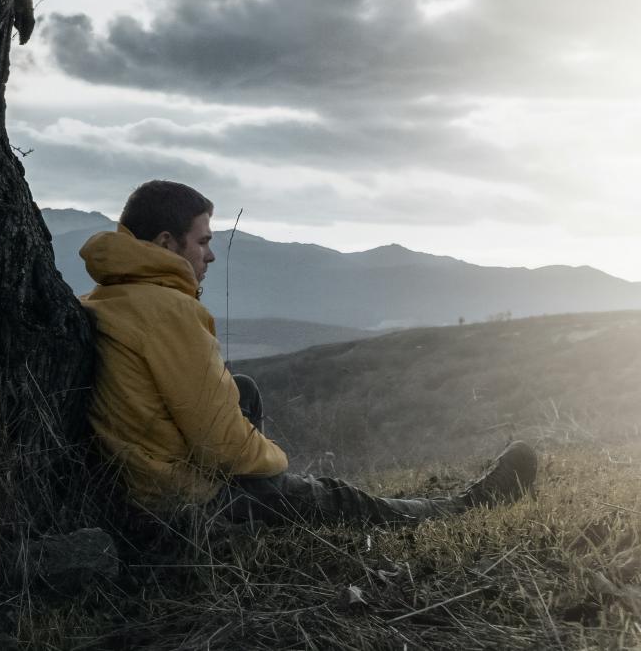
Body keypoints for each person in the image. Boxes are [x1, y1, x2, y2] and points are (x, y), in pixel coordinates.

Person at [79, 179, 537, 527]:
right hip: (180, 507)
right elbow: (219, 443)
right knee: (333, 498)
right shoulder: (168, 311)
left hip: (138, 489)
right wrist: (276, 468)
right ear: (164, 244)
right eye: (203, 242)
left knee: (242, 390)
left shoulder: (106, 296)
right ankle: (458, 508)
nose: (211, 256)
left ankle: (269, 494)